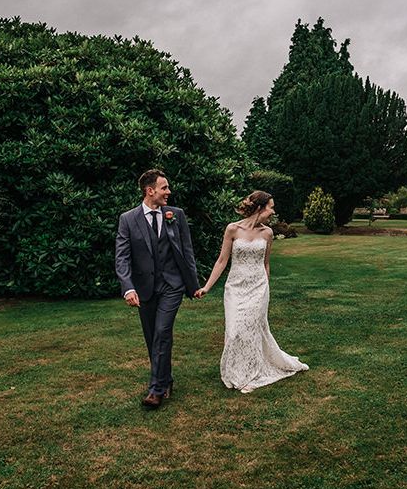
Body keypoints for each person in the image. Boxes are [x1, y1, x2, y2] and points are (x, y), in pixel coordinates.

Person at [198, 191, 308, 393]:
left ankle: (250, 374)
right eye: (271, 207)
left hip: (258, 288)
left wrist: (266, 288)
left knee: (251, 330)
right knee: (234, 331)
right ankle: (236, 371)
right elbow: (222, 261)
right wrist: (207, 287)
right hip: (235, 287)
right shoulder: (233, 229)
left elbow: (266, 264)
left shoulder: (267, 233)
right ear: (259, 208)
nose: (273, 212)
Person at [115, 169, 200, 408]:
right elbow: (122, 257)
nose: (168, 192)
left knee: (162, 332)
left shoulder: (177, 215)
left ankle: (156, 390)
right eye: (164, 188)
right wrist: (128, 288)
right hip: (144, 288)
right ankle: (166, 378)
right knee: (153, 336)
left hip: (173, 285)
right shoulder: (128, 219)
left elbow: (187, 251)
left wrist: (192, 285)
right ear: (149, 191)